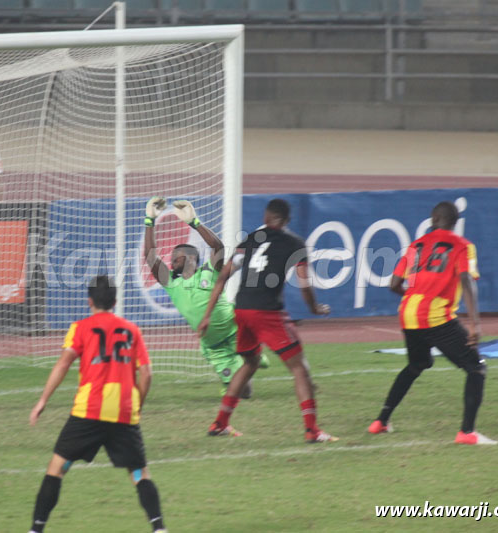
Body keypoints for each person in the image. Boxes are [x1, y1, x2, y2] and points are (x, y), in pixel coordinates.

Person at [28, 276, 167, 533]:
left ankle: (36, 529)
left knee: (57, 469)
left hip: (88, 411)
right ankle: (159, 529)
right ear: (115, 302)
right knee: (139, 474)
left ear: (89, 301)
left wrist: (42, 400)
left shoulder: (80, 328)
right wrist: (137, 405)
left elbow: (63, 364)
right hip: (124, 412)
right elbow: (147, 373)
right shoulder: (132, 330)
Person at [197, 199, 336, 442]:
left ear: (266, 217)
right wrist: (314, 307)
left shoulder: (249, 241)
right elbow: (304, 284)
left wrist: (207, 316)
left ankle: (220, 423)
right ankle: (312, 430)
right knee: (299, 369)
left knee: (249, 363)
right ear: (286, 220)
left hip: (242, 309)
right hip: (267, 312)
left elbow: (222, 278)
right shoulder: (295, 244)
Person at [367, 201, 497, 445]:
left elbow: (394, 284)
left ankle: (380, 422)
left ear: (432, 219)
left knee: (417, 364)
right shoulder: (463, 246)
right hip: (437, 316)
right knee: (476, 367)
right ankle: (467, 433)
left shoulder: (416, 246)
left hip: (408, 313)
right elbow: (466, 280)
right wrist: (475, 324)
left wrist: (413, 296)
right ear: (455, 223)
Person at [142, 197, 269, 404]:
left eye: (177, 257)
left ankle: (252, 358)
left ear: (191, 259)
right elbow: (150, 257)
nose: (172, 261)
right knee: (244, 393)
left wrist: (194, 222)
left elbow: (218, 247)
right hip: (214, 347)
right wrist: (150, 220)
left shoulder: (208, 272)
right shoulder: (171, 284)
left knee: (244, 379)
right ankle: (250, 361)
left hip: (236, 331)